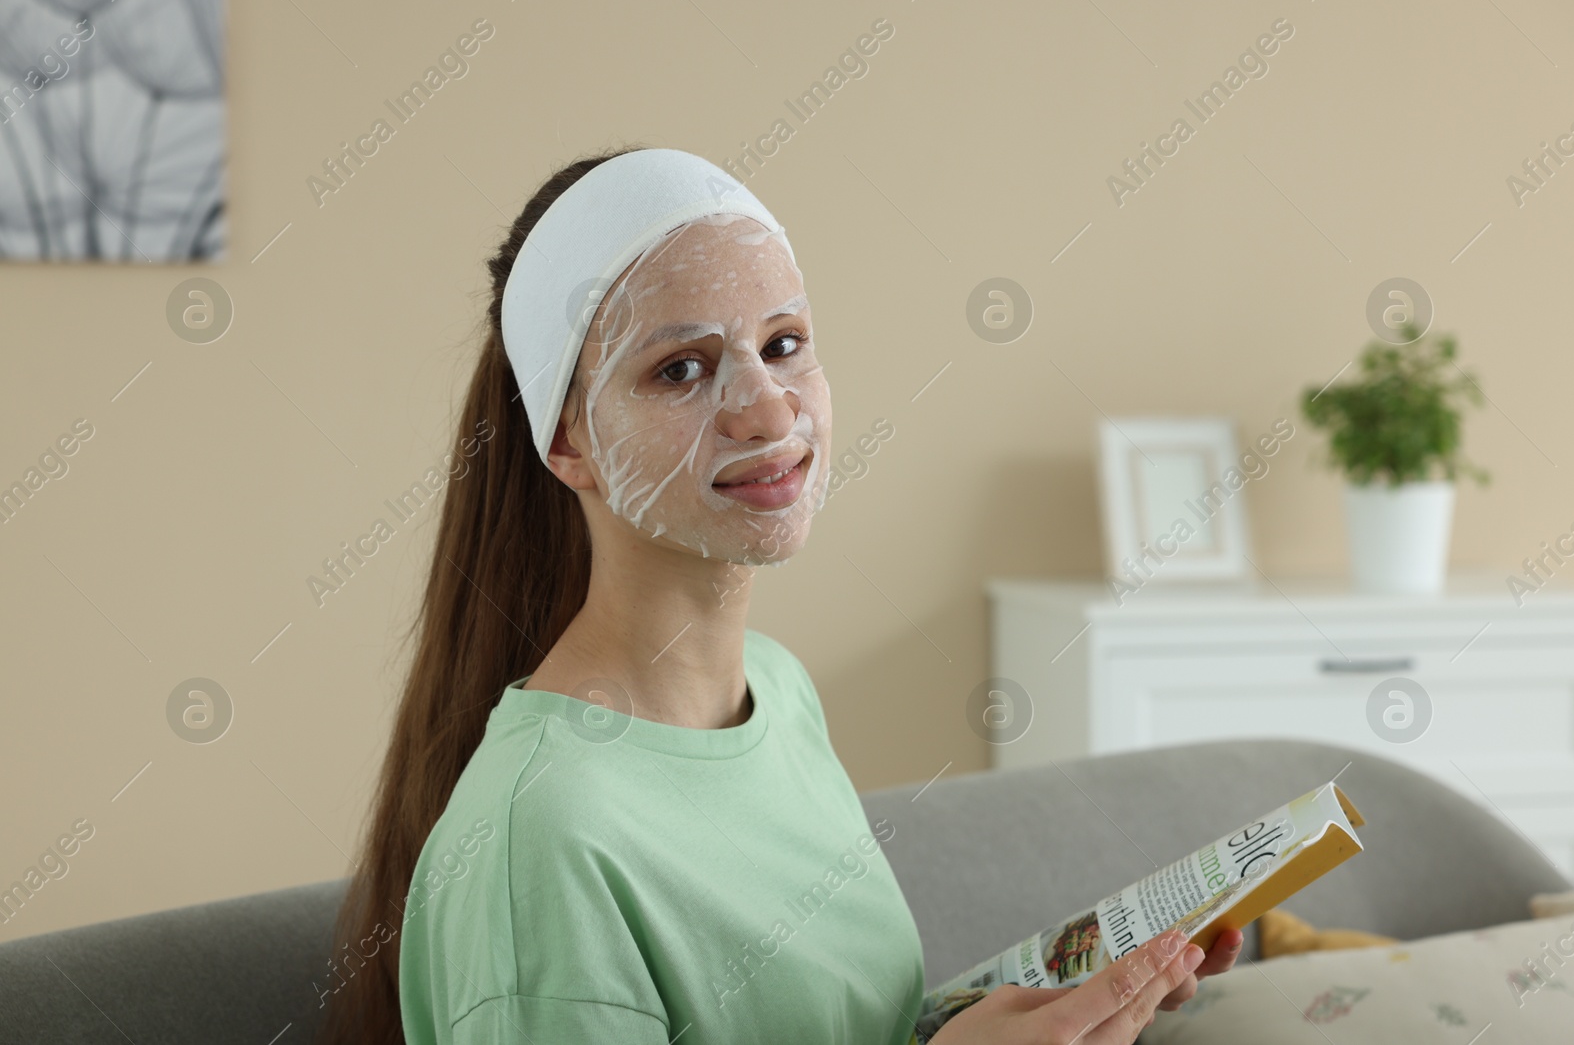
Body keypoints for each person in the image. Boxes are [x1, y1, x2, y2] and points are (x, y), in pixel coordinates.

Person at [314, 145, 1241, 1045]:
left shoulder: (776, 690)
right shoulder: (540, 847)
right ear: (567, 442)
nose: (768, 409)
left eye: (784, 344)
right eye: (680, 368)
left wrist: (1070, 1002)